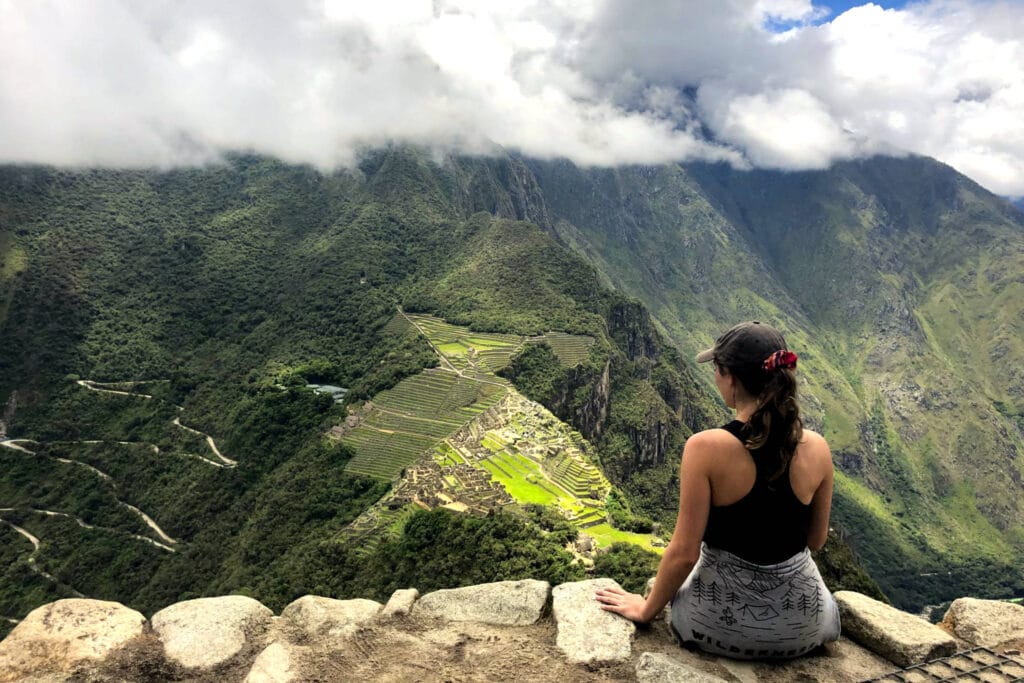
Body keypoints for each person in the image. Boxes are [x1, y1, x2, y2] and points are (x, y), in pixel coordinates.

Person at [595, 321, 840, 659]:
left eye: (717, 370)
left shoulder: (705, 448)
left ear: (732, 379)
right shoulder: (818, 448)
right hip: (806, 627)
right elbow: (816, 540)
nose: (715, 378)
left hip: (716, 626)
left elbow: (684, 553)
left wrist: (646, 609)